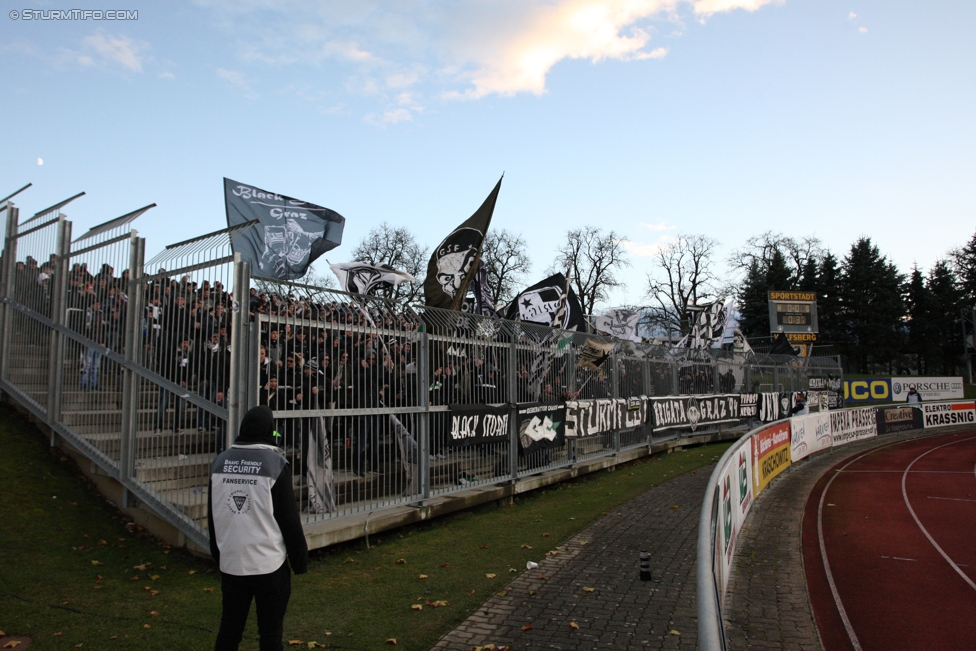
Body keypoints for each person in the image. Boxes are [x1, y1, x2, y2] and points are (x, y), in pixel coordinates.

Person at [208, 405, 308, 651]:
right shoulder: (275, 465)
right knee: (270, 635)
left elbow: (214, 516)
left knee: (229, 630)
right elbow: (289, 520)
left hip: (232, 562)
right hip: (267, 564)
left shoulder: (220, 463)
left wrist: (218, 553)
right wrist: (300, 560)